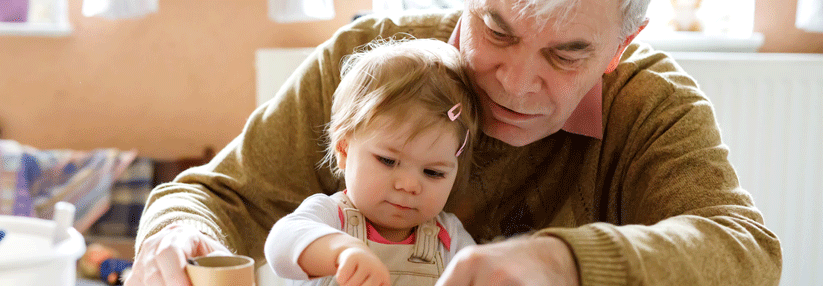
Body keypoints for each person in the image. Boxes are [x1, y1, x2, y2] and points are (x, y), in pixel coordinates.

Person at [125, 0, 783, 285]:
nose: (516, 82)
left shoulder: (651, 107)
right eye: (496, 28)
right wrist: (176, 237)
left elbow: (746, 253)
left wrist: (562, 263)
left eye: (566, 53)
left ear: (617, 50)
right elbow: (218, 197)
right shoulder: (370, 61)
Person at [264, 38, 478, 286]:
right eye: (388, 160)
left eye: (432, 172)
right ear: (344, 150)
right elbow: (279, 246)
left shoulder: (448, 237)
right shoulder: (331, 217)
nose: (409, 185)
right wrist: (341, 251)